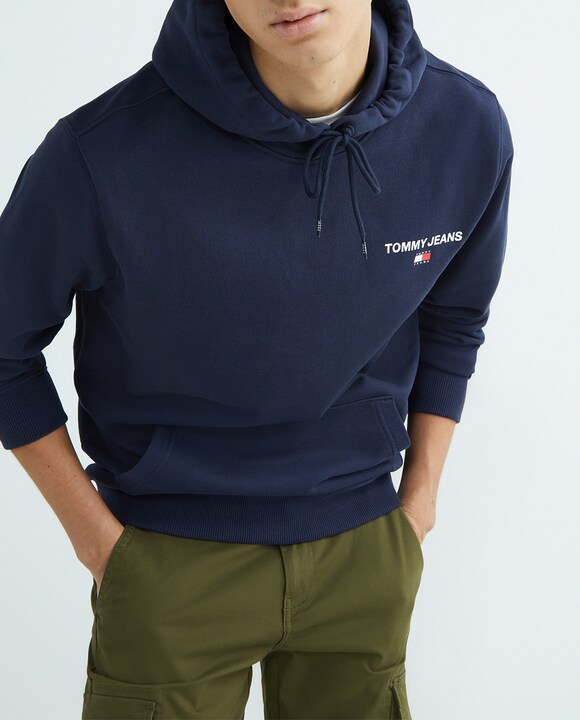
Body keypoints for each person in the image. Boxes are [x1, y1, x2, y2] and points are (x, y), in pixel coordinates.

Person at [0, 0, 513, 718]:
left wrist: (418, 502)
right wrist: (102, 546)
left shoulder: (465, 128)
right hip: (170, 557)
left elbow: (455, 319)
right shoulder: (100, 152)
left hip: (364, 550)